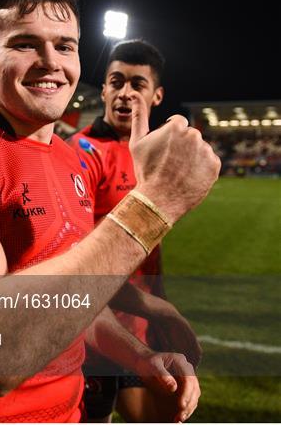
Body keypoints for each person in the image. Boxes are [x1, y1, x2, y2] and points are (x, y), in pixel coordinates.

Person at [0, 0, 220, 422]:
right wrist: (153, 206)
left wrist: (141, 357)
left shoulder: (69, 160)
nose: (51, 61)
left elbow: (67, 307)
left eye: (65, 46)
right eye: (25, 44)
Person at [69, 39, 201, 422]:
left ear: (157, 95)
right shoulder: (79, 152)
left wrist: (159, 307)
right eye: (117, 81)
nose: (125, 93)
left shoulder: (159, 158)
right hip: (91, 330)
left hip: (144, 328)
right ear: (105, 89)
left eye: (137, 84)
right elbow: (74, 256)